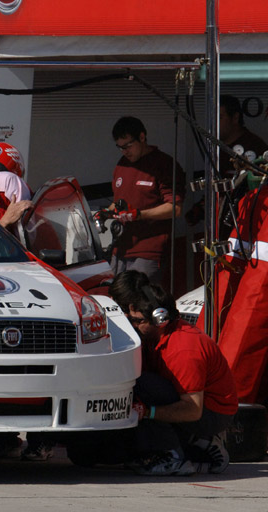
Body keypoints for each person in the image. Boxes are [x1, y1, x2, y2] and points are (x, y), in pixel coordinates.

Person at [108, 270, 238, 476]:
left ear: (160, 320)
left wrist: (146, 412)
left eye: (137, 321)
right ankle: (198, 446)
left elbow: (193, 410)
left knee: (140, 383)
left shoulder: (184, 350)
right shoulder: (153, 337)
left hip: (209, 412)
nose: (132, 325)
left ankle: (173, 457)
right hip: (197, 405)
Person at [108, 116, 185, 285]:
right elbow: (118, 203)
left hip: (149, 250)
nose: (125, 151)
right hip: (120, 249)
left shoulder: (164, 165)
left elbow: (175, 208)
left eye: (128, 145)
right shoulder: (122, 164)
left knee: (141, 301)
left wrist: (139, 215)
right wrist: (105, 213)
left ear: (142, 137)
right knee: (117, 301)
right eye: (120, 147)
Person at [218, 94, 268, 177]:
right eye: (213, 118)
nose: (215, 123)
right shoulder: (215, 147)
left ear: (235, 117)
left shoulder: (255, 146)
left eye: (220, 117)